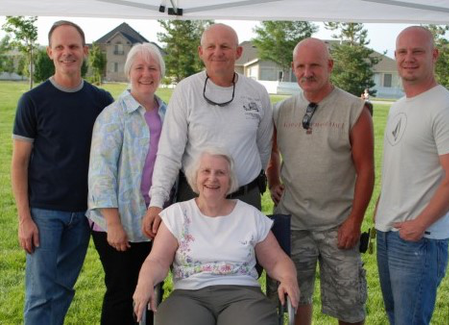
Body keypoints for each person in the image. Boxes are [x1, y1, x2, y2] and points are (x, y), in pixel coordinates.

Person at [11, 20, 113, 324]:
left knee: (64, 288)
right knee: (41, 293)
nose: (67, 53)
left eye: (73, 47)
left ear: (85, 51)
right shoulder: (33, 101)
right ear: (50, 52)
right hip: (44, 213)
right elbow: (19, 162)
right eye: (60, 47)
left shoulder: (101, 101)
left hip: (83, 213)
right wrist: (24, 218)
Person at [266, 38, 374, 325]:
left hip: (338, 225)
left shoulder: (355, 110)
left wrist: (355, 220)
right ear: (292, 68)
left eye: (315, 65)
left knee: (349, 305)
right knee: (291, 299)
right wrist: (273, 179)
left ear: (330, 65)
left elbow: (366, 170)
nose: (307, 72)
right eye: (300, 66)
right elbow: (271, 150)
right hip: (292, 222)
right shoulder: (282, 110)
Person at [374, 26, 449, 325]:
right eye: (403, 52)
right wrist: (381, 204)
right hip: (389, 233)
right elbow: (401, 165)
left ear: (434, 55)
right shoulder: (400, 106)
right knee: (396, 318)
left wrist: (420, 225)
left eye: (417, 51)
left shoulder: (447, 109)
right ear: (395, 56)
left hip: (419, 241)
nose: (409, 58)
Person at [132, 148, 300, 325]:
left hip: (243, 296)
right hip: (188, 295)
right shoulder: (177, 215)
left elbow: (276, 260)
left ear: (230, 181)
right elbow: (157, 260)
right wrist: (144, 282)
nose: (212, 178)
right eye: (206, 171)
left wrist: (289, 279)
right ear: (195, 177)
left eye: (220, 173)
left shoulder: (250, 216)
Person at [142, 23, 273, 240]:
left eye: (225, 46)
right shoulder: (186, 90)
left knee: (246, 268)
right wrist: (156, 202)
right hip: (195, 200)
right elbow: (169, 152)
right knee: (192, 267)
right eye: (210, 46)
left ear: (238, 52)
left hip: (245, 199)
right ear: (200, 52)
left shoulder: (257, 93)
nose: (217, 52)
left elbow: (263, 147)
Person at [86, 43, 166, 325]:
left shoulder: (168, 115)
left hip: (154, 223)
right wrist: (114, 224)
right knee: (122, 293)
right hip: (118, 224)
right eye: (139, 68)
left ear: (161, 73)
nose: (146, 74)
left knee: (154, 292)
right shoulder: (113, 115)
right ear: (129, 73)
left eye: (153, 68)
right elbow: (100, 173)